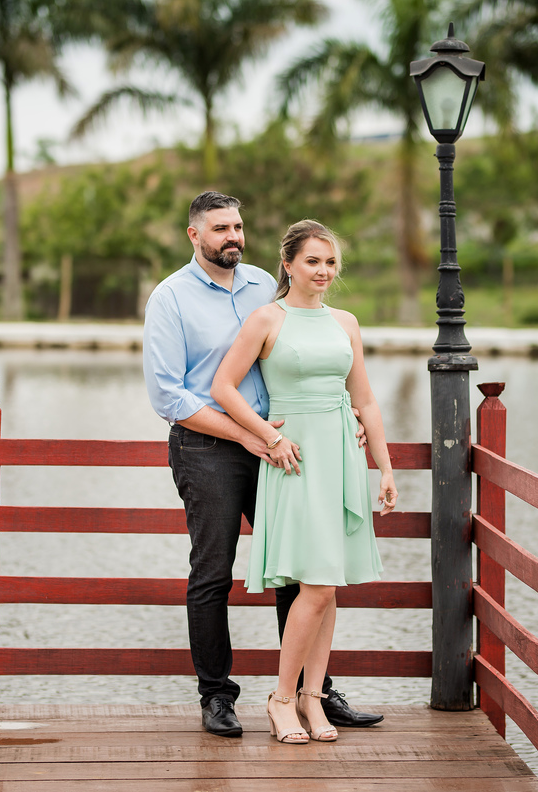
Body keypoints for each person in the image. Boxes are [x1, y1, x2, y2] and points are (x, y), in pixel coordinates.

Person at [143, 193, 383, 738]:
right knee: (212, 573)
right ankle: (217, 696)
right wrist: (251, 435)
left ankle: (309, 693)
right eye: (220, 227)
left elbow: (309, 349)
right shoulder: (170, 298)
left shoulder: (262, 285)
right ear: (193, 235)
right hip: (209, 447)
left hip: (284, 446)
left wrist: (347, 417)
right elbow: (168, 396)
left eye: (239, 225)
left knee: (303, 569)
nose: (233, 235)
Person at [211, 219, 397, 744]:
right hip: (295, 459)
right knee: (314, 585)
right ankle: (281, 699)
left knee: (328, 584)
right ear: (288, 263)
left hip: (340, 455)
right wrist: (268, 435)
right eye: (312, 261)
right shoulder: (267, 318)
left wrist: (383, 466)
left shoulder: (346, 322)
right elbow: (223, 386)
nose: (323, 271)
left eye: (330, 262)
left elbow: (364, 400)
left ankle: (315, 701)